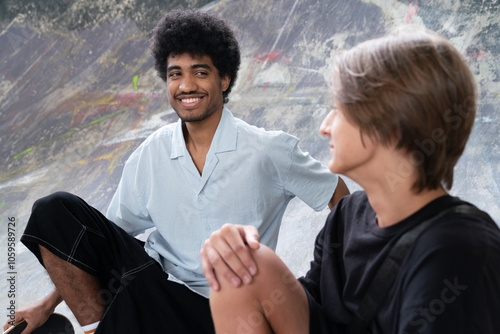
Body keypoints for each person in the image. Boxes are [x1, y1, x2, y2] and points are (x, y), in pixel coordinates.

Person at [3, 9, 349, 334]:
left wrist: (336, 283)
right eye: (175, 74)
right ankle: (97, 330)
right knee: (54, 211)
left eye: (200, 72)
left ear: (224, 79)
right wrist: (46, 306)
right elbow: (93, 247)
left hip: (233, 309)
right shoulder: (151, 153)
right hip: (157, 292)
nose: (186, 86)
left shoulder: (268, 150)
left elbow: (339, 198)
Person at [201, 27, 500, 333]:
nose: (324, 126)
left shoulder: (458, 250)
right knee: (239, 268)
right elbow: (314, 307)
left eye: (338, 109)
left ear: (389, 124)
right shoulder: (347, 215)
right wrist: (230, 249)